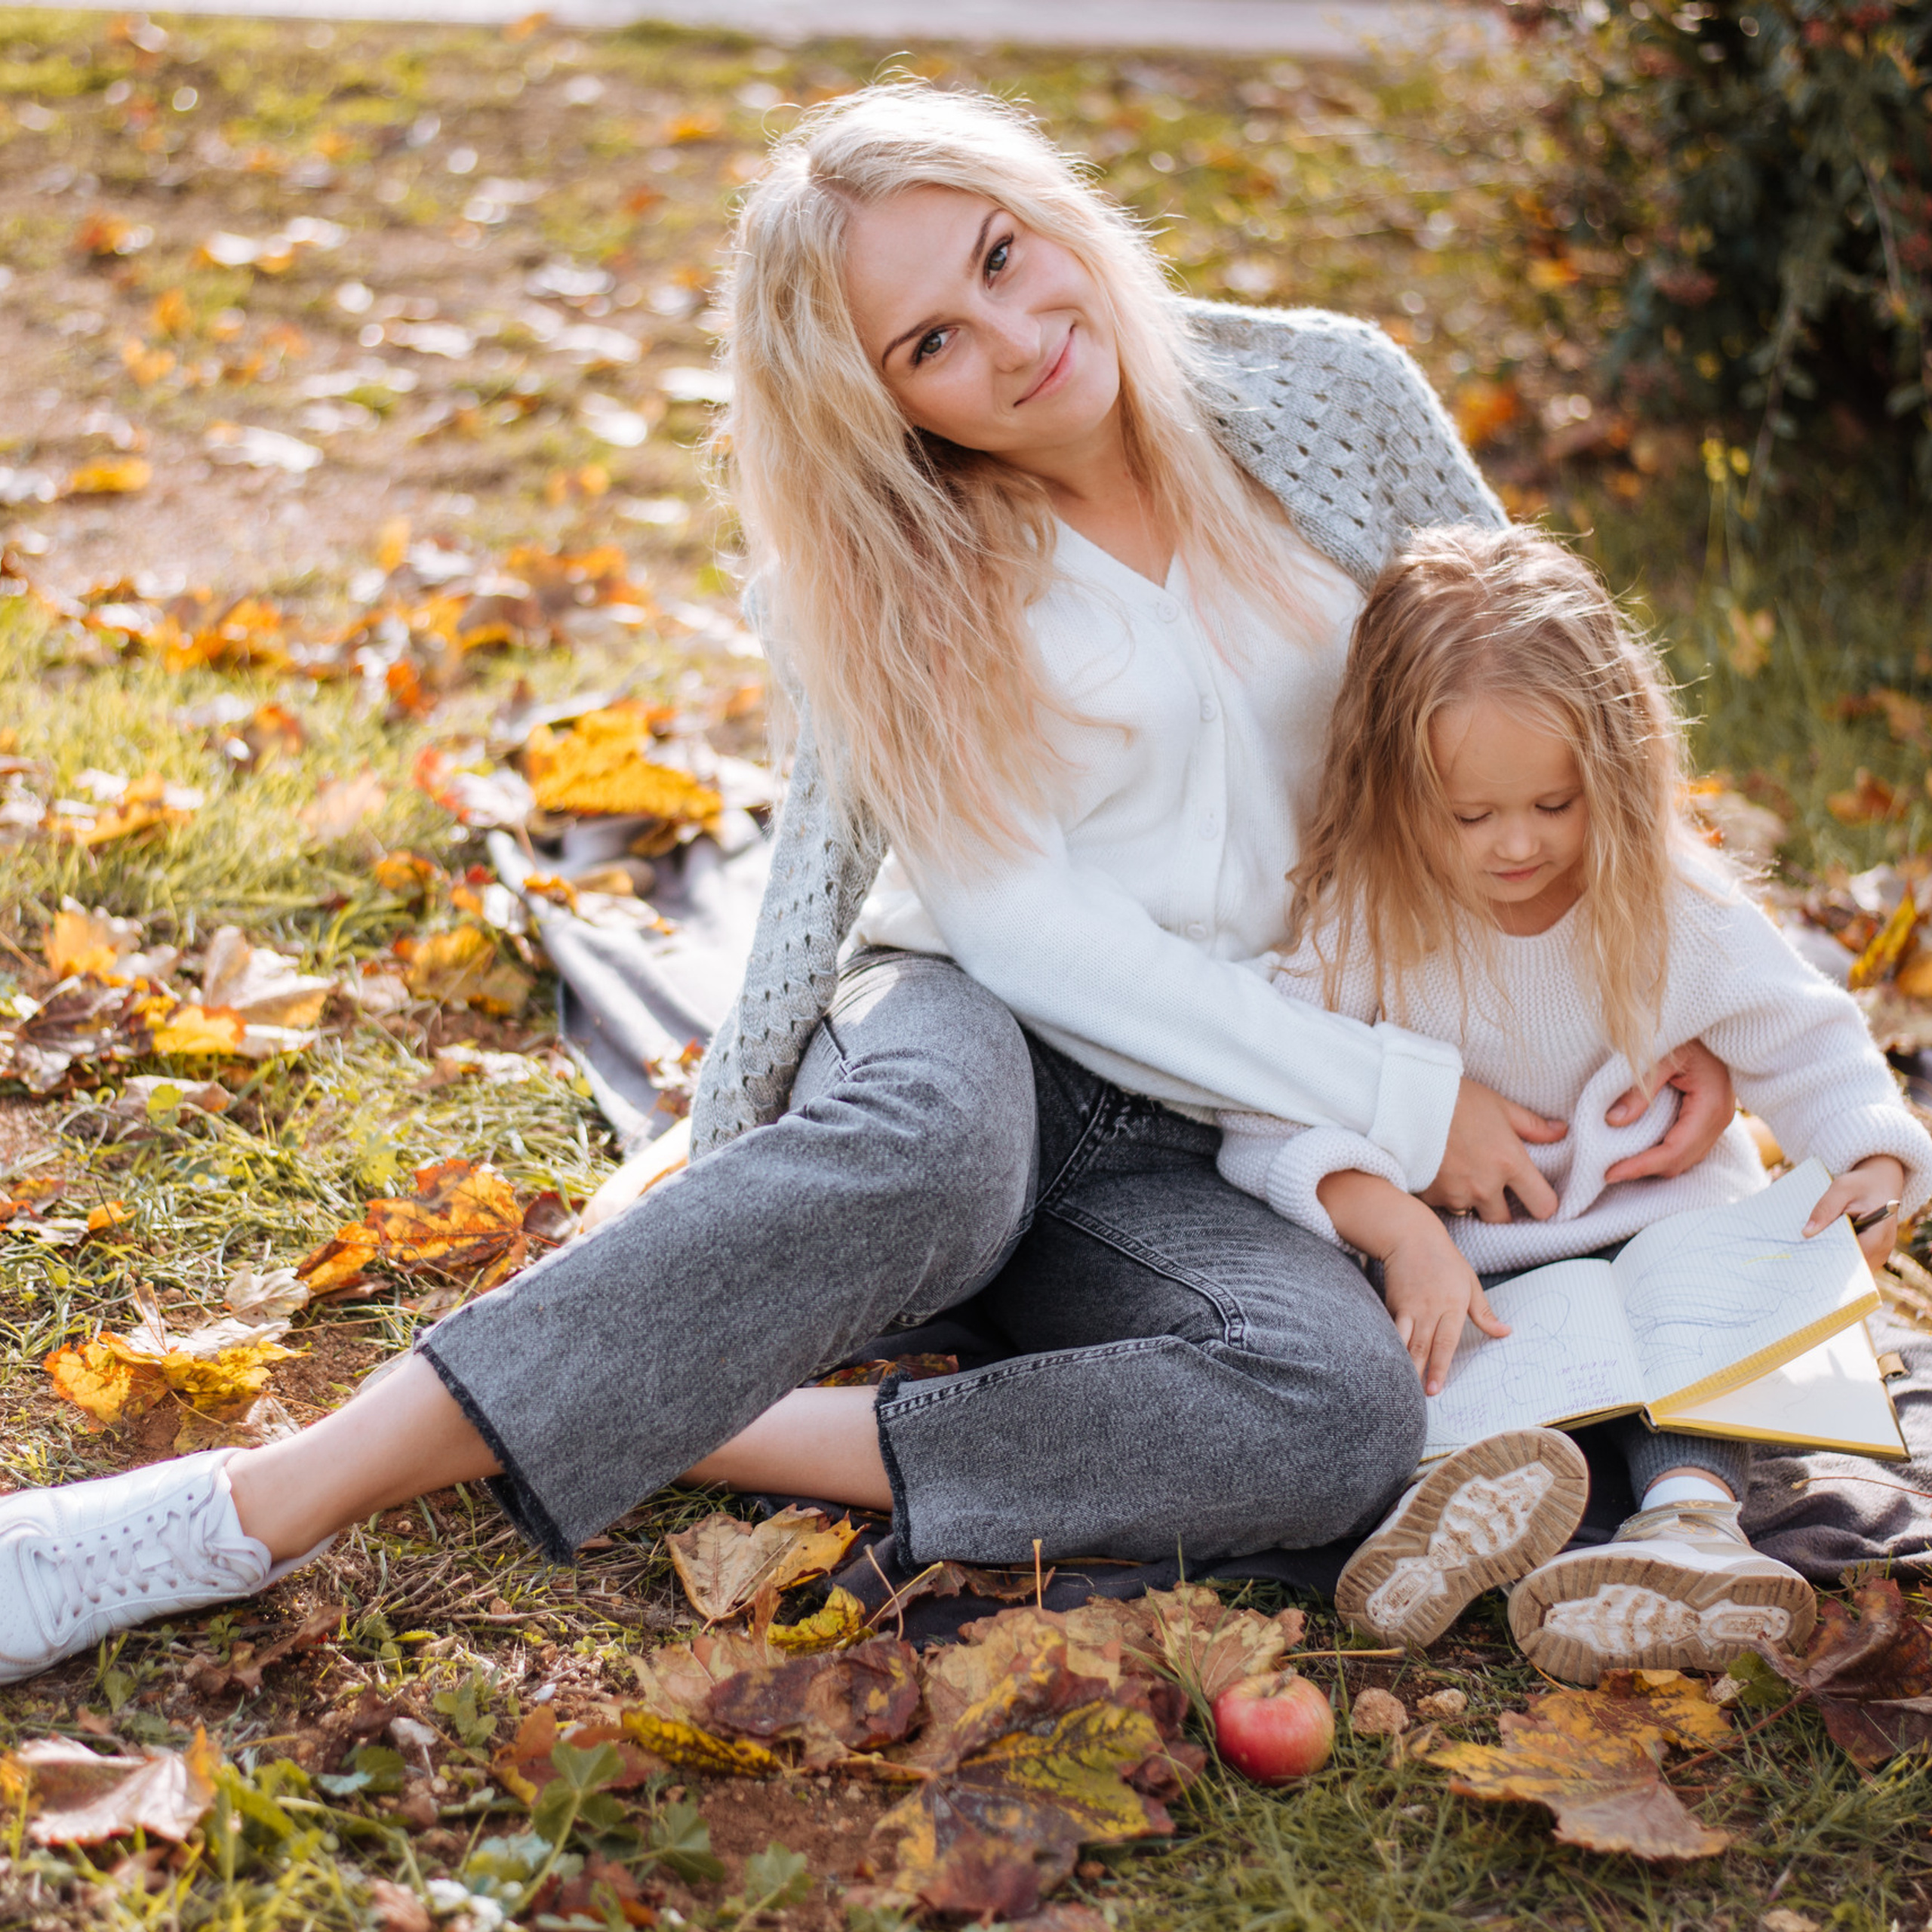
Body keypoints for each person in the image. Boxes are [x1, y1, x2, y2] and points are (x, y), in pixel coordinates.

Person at [0, 86, 1741, 1685]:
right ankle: (242, 1507)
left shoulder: (1325, 395)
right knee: (935, 1153)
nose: (1015, 338)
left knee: (1336, 1407)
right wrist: (1408, 1099)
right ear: (881, 397)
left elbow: (1553, 692)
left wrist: (1688, 994)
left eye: (1001, 256)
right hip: (977, 1021)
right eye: (931, 342)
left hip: (1237, 1119)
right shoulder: (894, 558)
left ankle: (679, 1409)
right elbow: (1024, 931)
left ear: (1050, 209)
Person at [1217, 522, 1932, 1682]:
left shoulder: (1664, 898)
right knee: (1436, 1360)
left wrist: (1876, 1161)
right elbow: (1266, 1116)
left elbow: (1806, 1037)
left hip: (1666, 1236)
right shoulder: (1365, 923)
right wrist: (1400, 1232)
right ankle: (1459, 1513)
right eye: (1471, 816)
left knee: (1693, 1359)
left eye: (1556, 804)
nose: (1518, 846)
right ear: (1394, 788)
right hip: (1477, 1268)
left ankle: (1691, 1537)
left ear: (1619, 765)